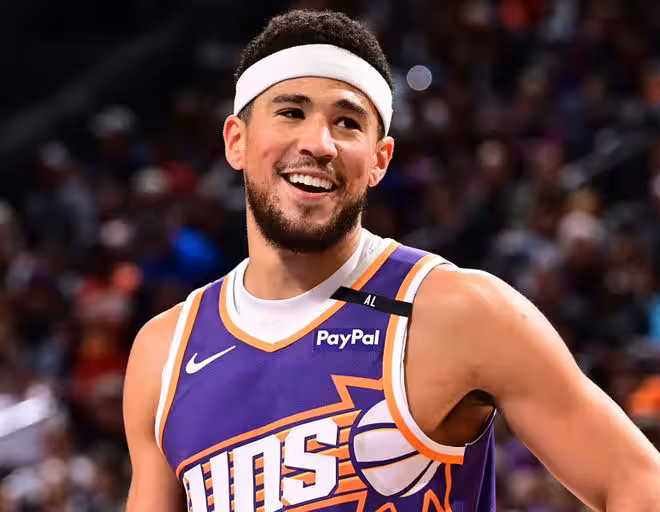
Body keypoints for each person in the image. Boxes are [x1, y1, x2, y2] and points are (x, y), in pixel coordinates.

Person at [123, 9, 660, 512]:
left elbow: (637, 482)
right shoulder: (163, 353)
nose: (319, 143)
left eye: (347, 123)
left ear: (379, 160)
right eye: (291, 112)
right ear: (236, 141)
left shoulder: (459, 310)